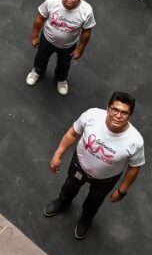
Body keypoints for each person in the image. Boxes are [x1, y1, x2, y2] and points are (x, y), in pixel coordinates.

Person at [44, 92, 144, 240]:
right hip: (79, 166)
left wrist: (122, 191)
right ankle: (63, 202)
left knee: (94, 201)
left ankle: (86, 218)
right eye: (114, 109)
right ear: (108, 108)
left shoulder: (135, 141)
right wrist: (58, 155)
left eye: (124, 113)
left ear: (130, 116)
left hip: (105, 180)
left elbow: (134, 168)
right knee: (69, 187)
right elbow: (72, 133)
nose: (118, 115)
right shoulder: (92, 115)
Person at [27, 0, 95, 95]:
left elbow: (86, 32)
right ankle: (37, 71)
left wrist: (80, 49)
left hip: (68, 46)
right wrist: (34, 36)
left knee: (64, 65)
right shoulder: (52, 1)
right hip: (47, 39)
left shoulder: (86, 11)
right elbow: (40, 18)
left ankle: (61, 79)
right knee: (40, 58)